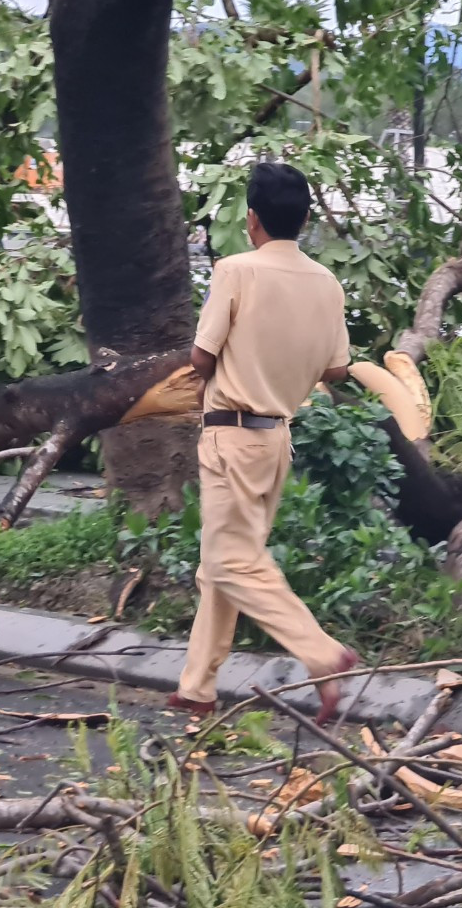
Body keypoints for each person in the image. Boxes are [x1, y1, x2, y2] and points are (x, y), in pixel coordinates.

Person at [169, 162, 359, 724]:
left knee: (231, 561)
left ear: (251, 219)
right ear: (305, 218)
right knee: (223, 563)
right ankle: (197, 687)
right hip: (277, 439)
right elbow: (337, 369)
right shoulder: (327, 283)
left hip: (230, 433)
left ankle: (324, 655)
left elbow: (202, 358)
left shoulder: (235, 270)